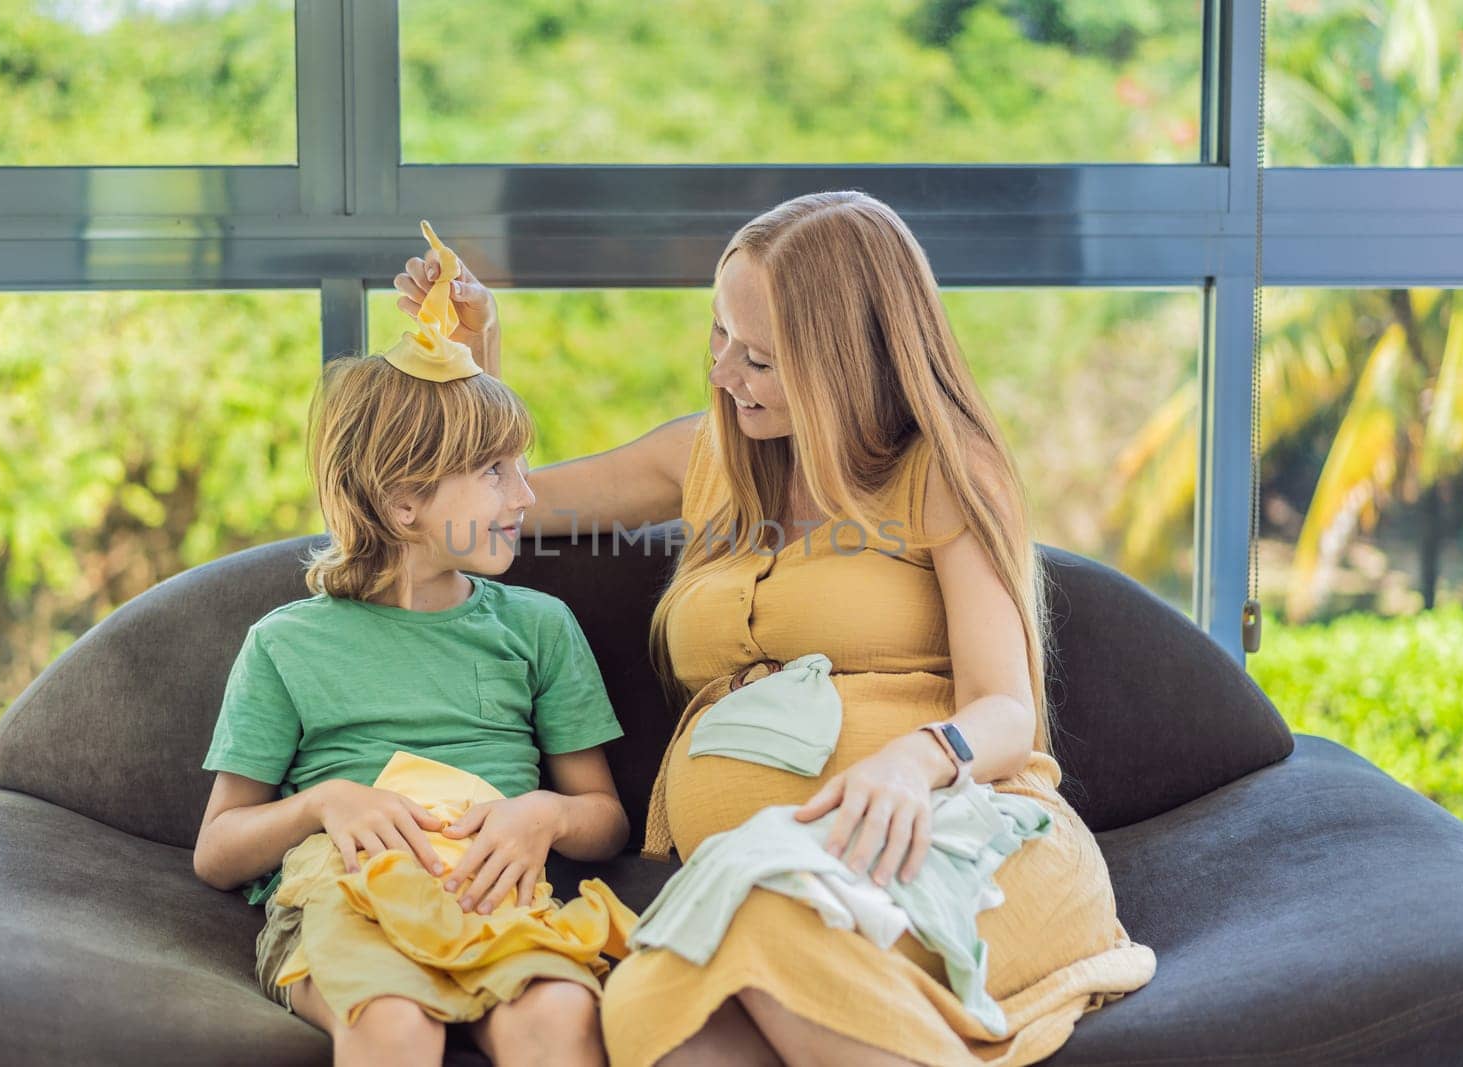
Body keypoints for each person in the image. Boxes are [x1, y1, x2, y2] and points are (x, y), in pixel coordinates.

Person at [393, 190, 1156, 1066]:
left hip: (954, 841)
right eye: (719, 335)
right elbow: (497, 517)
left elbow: (1006, 711)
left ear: (848, 362)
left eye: (759, 358)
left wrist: (913, 761)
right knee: (649, 1003)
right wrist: (471, 362)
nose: (724, 373)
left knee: (752, 927)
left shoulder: (943, 470)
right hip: (755, 883)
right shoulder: (705, 460)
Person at [192, 246, 631, 1067]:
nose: (527, 496)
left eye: (521, 468)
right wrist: (325, 802)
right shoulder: (287, 644)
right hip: (343, 889)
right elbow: (218, 849)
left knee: (564, 1015)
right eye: (495, 473)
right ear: (403, 502)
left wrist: (545, 813)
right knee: (394, 1021)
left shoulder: (539, 627)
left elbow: (603, 817)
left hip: (496, 889)